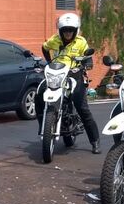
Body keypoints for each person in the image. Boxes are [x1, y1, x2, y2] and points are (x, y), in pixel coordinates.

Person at [35, 13, 101, 154]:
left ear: (75, 30)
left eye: (71, 30)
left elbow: (88, 57)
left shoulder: (81, 42)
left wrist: (87, 64)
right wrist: (49, 61)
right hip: (56, 73)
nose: (68, 33)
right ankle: (43, 125)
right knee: (39, 95)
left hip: (75, 73)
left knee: (81, 106)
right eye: (65, 30)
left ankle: (95, 141)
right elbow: (45, 48)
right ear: (60, 30)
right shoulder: (55, 40)